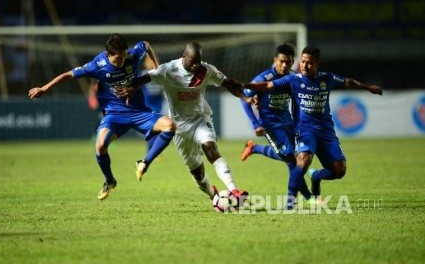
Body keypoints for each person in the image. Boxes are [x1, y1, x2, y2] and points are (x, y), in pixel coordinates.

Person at [28, 33, 177, 201]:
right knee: (99, 147)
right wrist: (45, 88)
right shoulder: (98, 65)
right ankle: (109, 181)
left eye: (123, 56)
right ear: (108, 55)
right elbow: (69, 74)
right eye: (117, 59)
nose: (121, 61)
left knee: (170, 126)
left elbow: (146, 44)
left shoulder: (133, 55)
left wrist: (156, 67)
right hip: (114, 114)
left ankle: (144, 162)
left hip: (138, 112)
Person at [242, 45, 382, 208]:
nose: (303, 66)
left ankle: (312, 175)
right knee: (295, 160)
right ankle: (297, 200)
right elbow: (263, 88)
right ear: (275, 60)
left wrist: (367, 88)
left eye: (307, 63)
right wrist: (254, 118)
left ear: (317, 64)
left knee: (337, 170)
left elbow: (347, 81)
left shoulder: (320, 78)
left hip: (298, 124)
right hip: (277, 125)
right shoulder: (276, 78)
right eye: (302, 62)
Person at [120, 42, 258, 207]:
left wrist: (246, 98)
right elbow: (146, 77)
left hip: (200, 119)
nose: (195, 65)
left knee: (210, 147)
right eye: (192, 61)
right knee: (198, 174)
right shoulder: (169, 69)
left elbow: (227, 83)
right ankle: (212, 194)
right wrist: (131, 87)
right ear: (184, 56)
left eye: (198, 61)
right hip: (179, 128)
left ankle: (234, 190)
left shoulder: (206, 70)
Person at [239, 44, 312, 202]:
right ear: (275, 60)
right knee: (292, 159)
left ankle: (254, 148)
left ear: (293, 61)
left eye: (288, 62)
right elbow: (244, 99)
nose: (285, 65)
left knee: (292, 157)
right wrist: (256, 124)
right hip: (271, 126)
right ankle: (306, 197)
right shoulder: (263, 79)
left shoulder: (293, 78)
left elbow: (296, 101)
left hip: (288, 123)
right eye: (281, 61)